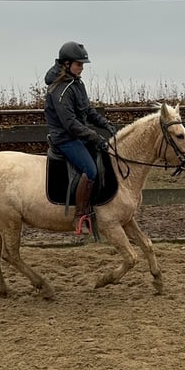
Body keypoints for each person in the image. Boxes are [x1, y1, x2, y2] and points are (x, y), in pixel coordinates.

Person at [44, 41, 117, 232]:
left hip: (76, 135)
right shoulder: (61, 89)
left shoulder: (76, 83)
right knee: (90, 170)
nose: (82, 68)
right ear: (66, 64)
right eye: (79, 64)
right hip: (65, 138)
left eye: (83, 65)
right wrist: (94, 136)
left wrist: (105, 124)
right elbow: (70, 124)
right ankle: (79, 216)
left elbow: (87, 110)